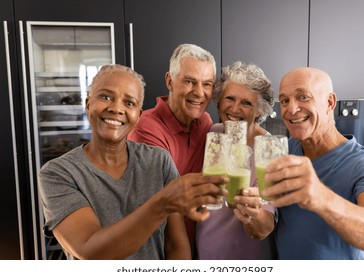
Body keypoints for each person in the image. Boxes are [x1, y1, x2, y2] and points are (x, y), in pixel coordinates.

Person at [38, 64, 227, 260]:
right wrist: (163, 203)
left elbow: (175, 245)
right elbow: (91, 252)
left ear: (138, 116)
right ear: (87, 104)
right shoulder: (58, 173)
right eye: (106, 97)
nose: (116, 108)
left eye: (129, 103)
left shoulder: (159, 161)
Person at [262, 66, 364, 259]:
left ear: (330, 102)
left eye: (303, 97)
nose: (291, 109)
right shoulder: (285, 150)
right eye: (285, 100)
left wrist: (321, 197)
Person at [128, 43, 216, 256]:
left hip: (197, 245)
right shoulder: (146, 129)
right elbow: (165, 208)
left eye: (207, 84)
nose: (199, 93)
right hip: (161, 251)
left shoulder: (204, 122)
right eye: (189, 81)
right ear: (170, 80)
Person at [196, 61, 277, 259]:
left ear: (259, 110)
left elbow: (265, 226)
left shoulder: (269, 149)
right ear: (219, 101)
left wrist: (253, 212)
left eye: (246, 103)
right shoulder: (213, 134)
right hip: (204, 255)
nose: (235, 108)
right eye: (229, 99)